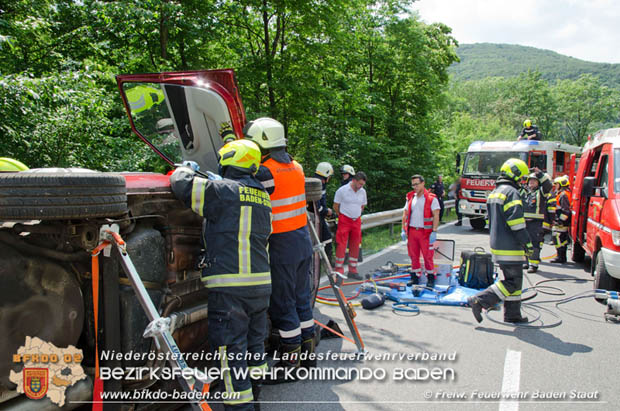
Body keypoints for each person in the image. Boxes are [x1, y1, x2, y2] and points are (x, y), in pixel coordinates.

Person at [169, 140, 270, 410]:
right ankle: (255, 397)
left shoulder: (224, 192)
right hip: (260, 286)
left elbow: (182, 185)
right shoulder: (262, 195)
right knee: (254, 346)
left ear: (228, 162)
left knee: (229, 352)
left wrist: (185, 168)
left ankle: (240, 407)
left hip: (231, 287)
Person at [243, 117, 316, 381]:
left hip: (281, 246)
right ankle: (308, 356)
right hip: (302, 241)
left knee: (283, 304)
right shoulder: (296, 167)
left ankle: (290, 364)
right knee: (300, 300)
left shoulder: (265, 172)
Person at [468, 159, 534, 324]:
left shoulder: (495, 192)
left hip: (498, 244)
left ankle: (513, 315)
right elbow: (516, 223)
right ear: (515, 174)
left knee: (514, 281)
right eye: (522, 177)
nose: (523, 181)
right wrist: (528, 243)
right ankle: (480, 300)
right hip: (510, 246)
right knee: (513, 282)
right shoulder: (511, 192)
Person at [401, 175, 440, 289]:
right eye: (413, 184)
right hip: (412, 231)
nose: (415, 186)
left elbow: (436, 215)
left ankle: (431, 278)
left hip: (425, 232)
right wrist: (403, 229)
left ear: (423, 183)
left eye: (417, 184)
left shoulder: (431, 198)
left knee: (428, 256)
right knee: (413, 255)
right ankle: (415, 277)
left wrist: (434, 231)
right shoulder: (410, 197)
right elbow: (405, 214)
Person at [333, 171, 367, 280]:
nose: (361, 186)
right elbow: (335, 206)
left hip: (356, 220)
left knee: (355, 245)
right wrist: (342, 216)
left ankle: (353, 270)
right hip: (344, 220)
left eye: (362, 185)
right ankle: (339, 271)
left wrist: (356, 214)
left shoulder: (362, 192)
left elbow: (362, 206)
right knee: (341, 245)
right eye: (360, 184)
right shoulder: (342, 191)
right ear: (354, 180)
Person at [521, 170, 552, 273]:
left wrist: (539, 174)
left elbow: (548, 185)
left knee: (535, 244)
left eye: (534, 181)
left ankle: (533, 265)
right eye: (530, 181)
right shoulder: (524, 192)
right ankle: (525, 262)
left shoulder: (541, 192)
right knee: (524, 243)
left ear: (538, 183)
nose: (532, 183)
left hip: (536, 223)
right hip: (524, 222)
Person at [311, 162, 334, 262]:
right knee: (326, 237)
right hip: (316, 217)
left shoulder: (318, 182)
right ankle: (327, 261)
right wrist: (327, 211)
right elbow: (317, 206)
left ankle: (323, 260)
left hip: (316, 216)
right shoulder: (318, 184)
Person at [551, 175, 571, 263]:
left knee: (558, 238)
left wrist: (560, 221)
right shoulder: (562, 194)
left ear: (561, 185)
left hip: (562, 222)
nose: (555, 186)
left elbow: (565, 210)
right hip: (561, 221)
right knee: (560, 239)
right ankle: (561, 256)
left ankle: (561, 257)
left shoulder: (563, 195)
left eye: (557, 184)